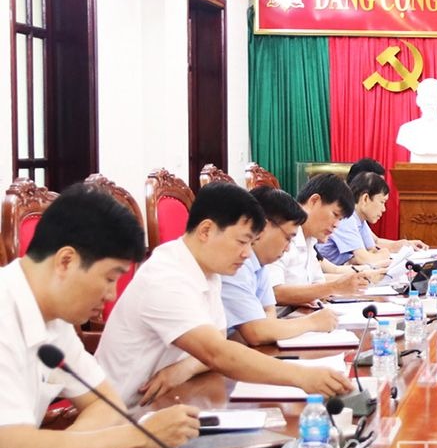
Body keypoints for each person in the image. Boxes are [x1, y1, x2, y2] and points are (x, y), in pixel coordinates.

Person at [0, 185, 199, 448]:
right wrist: (141, 436)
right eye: (109, 278)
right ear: (66, 261)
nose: (111, 295)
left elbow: (106, 403)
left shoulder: (54, 318)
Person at [96, 183, 354, 407]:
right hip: (127, 413)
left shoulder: (209, 271)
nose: (247, 253)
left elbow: (219, 341)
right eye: (242, 242)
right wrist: (302, 377)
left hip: (172, 398)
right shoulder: (167, 277)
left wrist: (184, 369)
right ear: (206, 231)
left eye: (251, 243)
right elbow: (218, 353)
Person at [221, 187, 339, 345]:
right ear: (263, 227)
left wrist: (265, 329)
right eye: (288, 238)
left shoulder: (260, 264)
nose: (288, 248)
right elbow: (257, 333)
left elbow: (268, 316)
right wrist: (312, 323)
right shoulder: (237, 263)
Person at [267, 174, 378, 307]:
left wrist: (350, 282)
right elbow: (273, 292)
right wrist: (334, 287)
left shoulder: (310, 239)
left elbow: (317, 283)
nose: (336, 225)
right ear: (314, 201)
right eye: (335, 215)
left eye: (340, 219)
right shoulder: (282, 233)